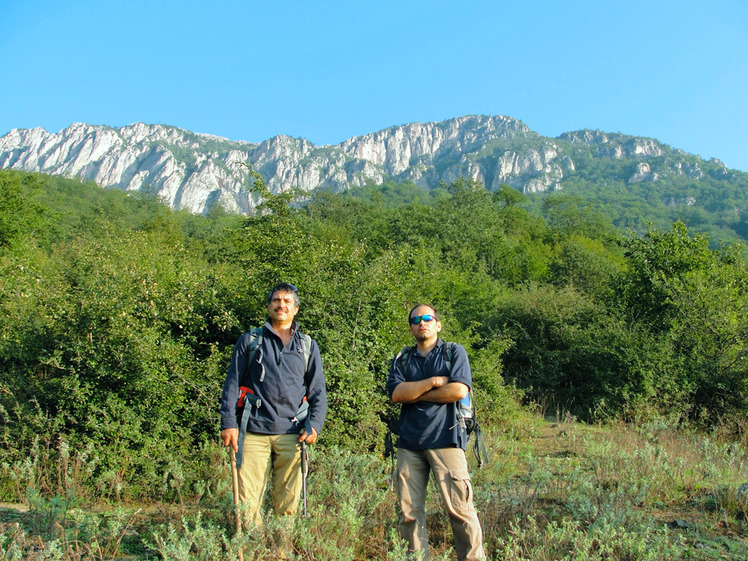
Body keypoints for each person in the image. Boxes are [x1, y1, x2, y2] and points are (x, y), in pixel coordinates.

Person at [220, 283, 327, 530]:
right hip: (253, 431)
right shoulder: (250, 341)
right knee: (248, 502)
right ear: (269, 306)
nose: (282, 305)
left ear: (296, 309)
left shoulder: (307, 345)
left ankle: (282, 551)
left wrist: (315, 426)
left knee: (288, 502)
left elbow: (318, 392)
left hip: (293, 434)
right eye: (277, 300)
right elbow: (232, 384)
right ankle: (254, 549)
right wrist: (228, 423)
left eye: (287, 301)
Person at [386, 304, 484, 561]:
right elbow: (397, 394)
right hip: (409, 444)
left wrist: (414, 393)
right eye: (416, 319)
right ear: (411, 328)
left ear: (438, 324)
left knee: (461, 511)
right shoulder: (402, 358)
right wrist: (431, 383)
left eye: (428, 318)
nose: (422, 322)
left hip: (446, 440)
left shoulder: (454, 352)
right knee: (409, 514)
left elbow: (458, 391)